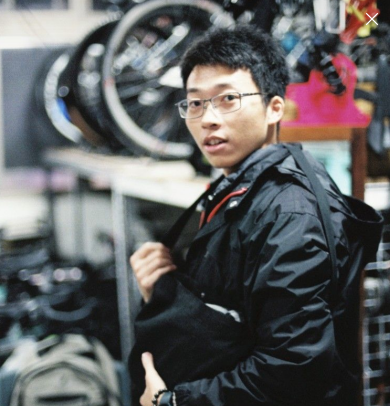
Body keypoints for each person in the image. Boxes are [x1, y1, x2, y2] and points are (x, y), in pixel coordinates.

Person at [129, 25, 383, 406]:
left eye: (228, 99)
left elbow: (292, 369)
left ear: (274, 108)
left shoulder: (290, 214)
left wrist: (173, 401)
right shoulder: (242, 187)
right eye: (195, 103)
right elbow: (230, 311)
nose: (207, 118)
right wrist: (165, 288)